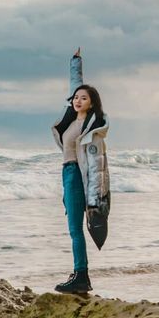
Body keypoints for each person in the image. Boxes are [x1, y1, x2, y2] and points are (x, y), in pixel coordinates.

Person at [51, 47, 110, 293]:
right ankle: (80, 273)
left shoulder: (92, 131)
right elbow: (76, 84)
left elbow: (97, 167)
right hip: (67, 172)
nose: (78, 100)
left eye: (84, 98)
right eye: (76, 97)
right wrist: (76, 61)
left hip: (77, 174)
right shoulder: (71, 120)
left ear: (92, 103)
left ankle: (81, 276)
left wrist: (96, 200)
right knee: (72, 227)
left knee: (75, 228)